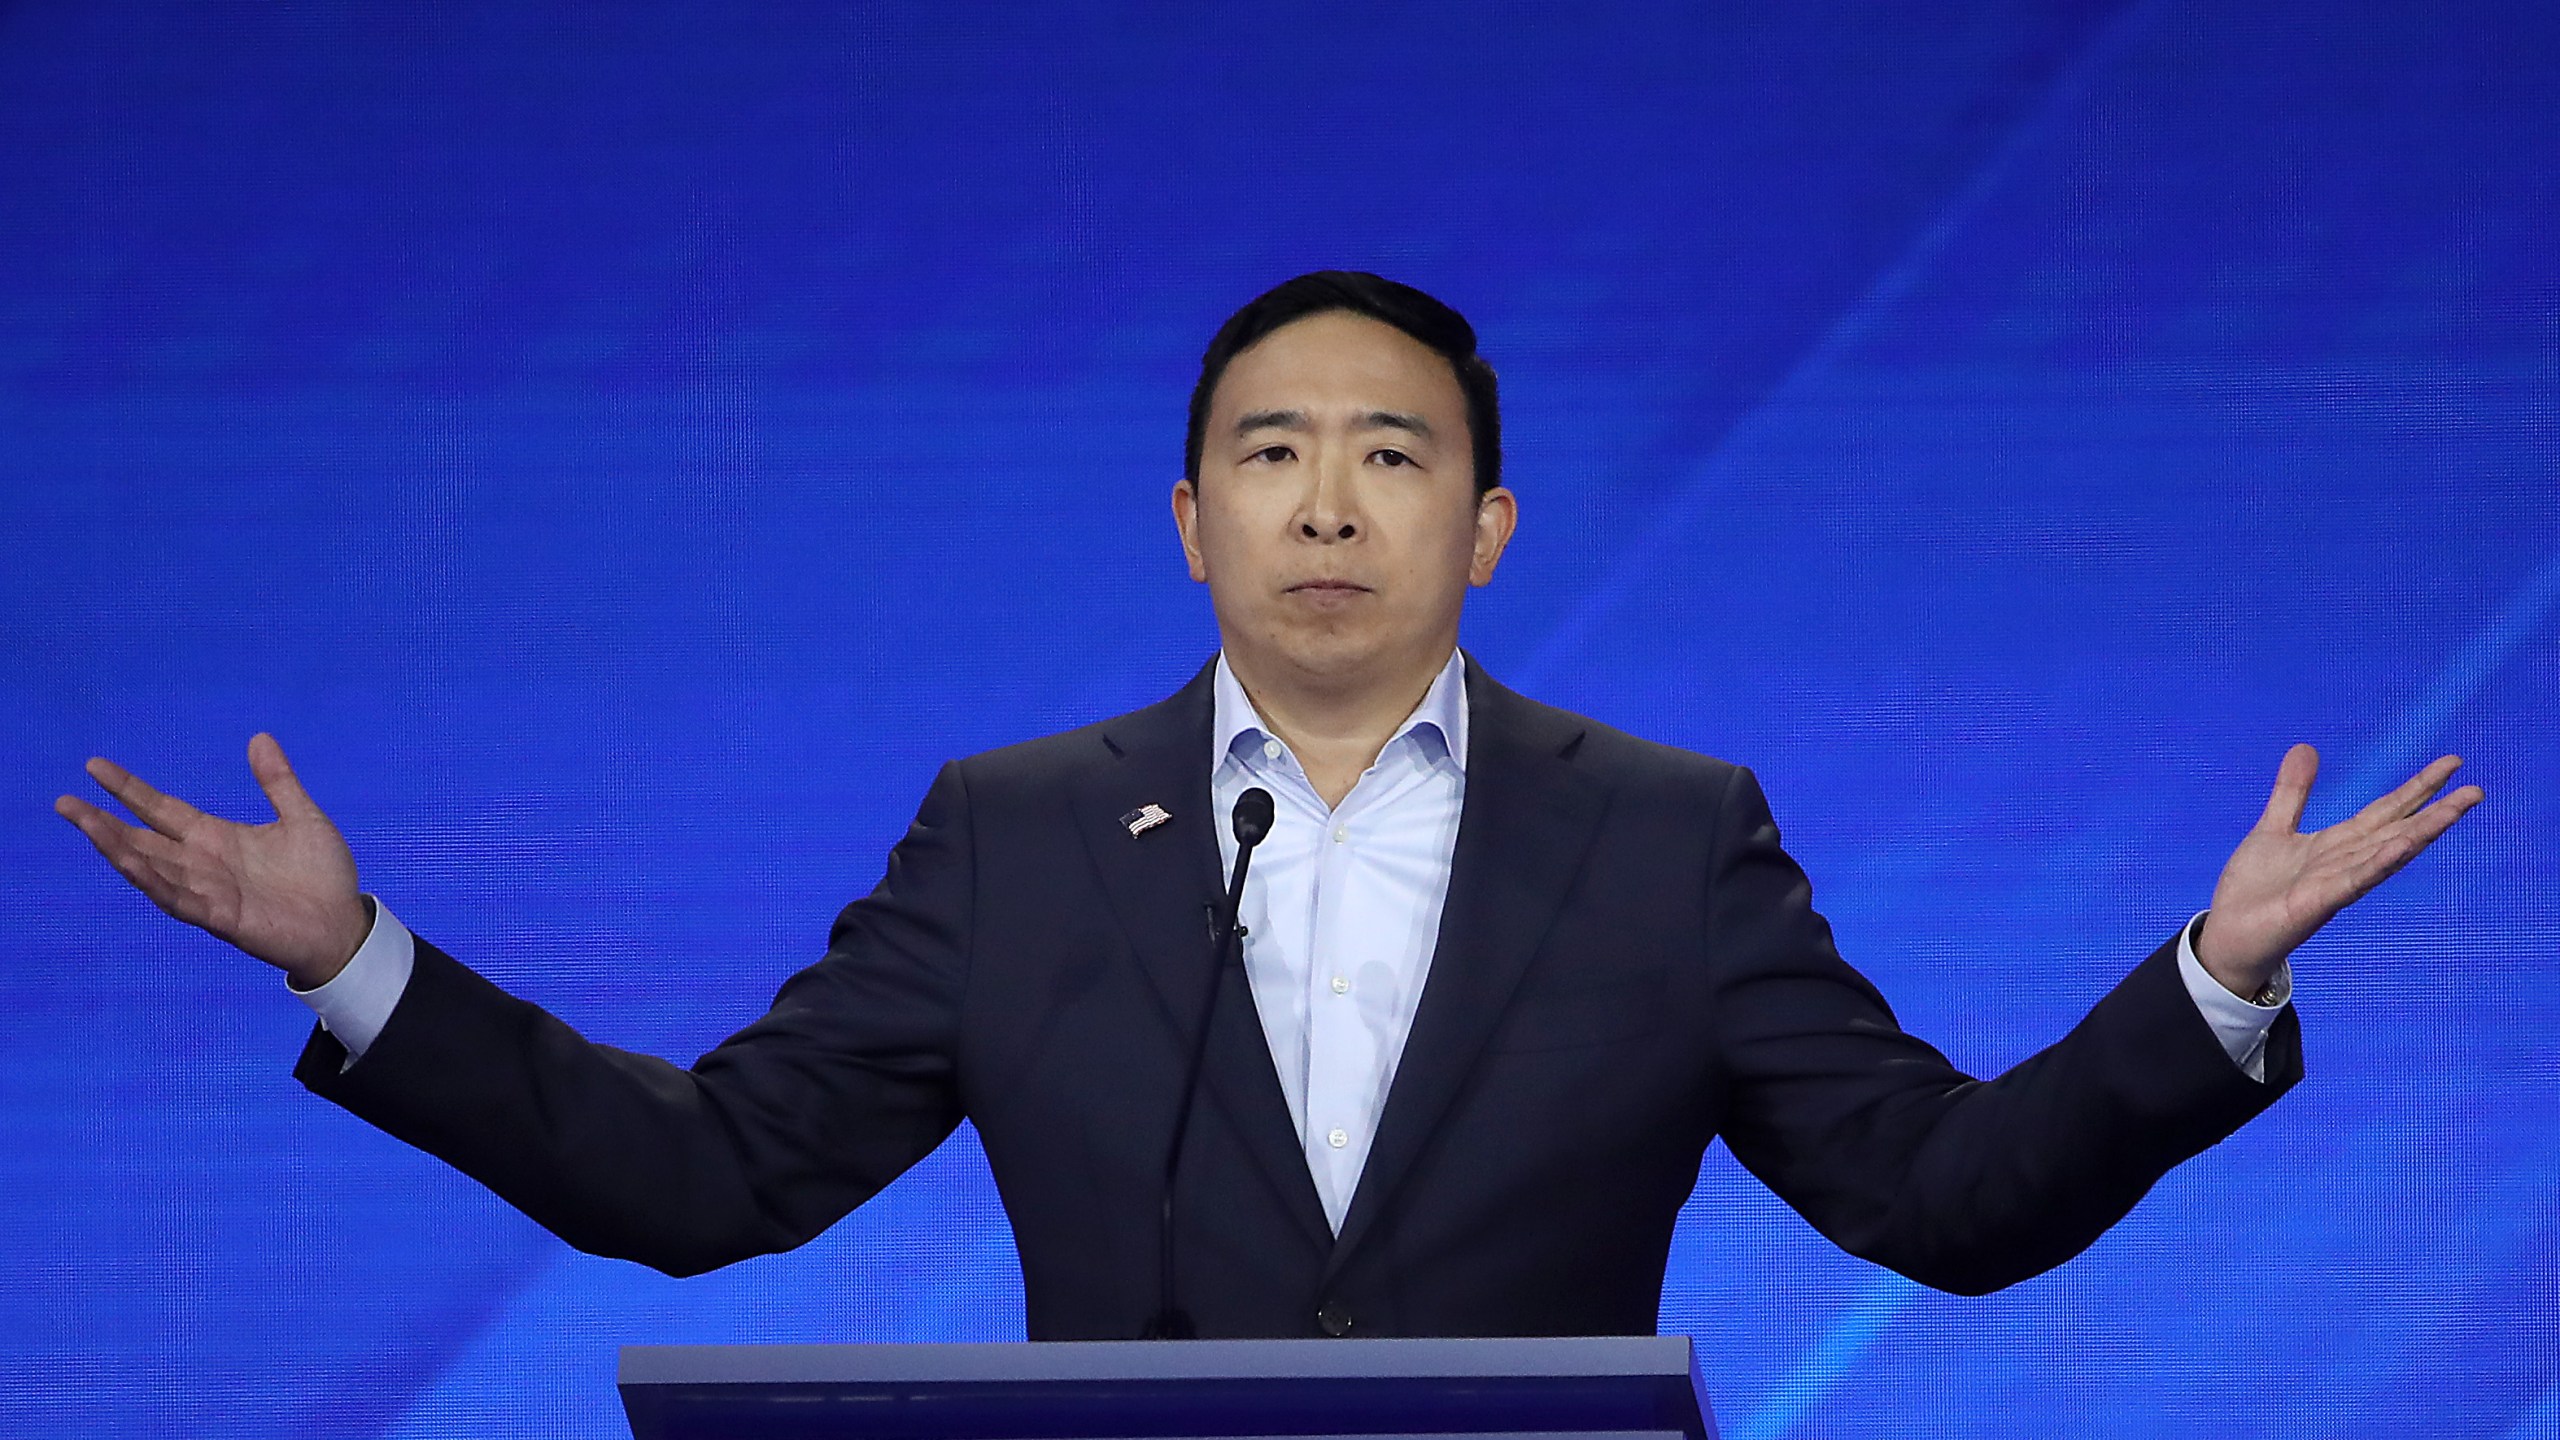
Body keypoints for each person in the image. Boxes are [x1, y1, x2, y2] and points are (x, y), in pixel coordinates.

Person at [57, 272, 2482, 1341]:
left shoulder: (1663, 834)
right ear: (1190, 521)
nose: (1329, 505)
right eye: (1271, 458)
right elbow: (709, 1183)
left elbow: (1940, 1204)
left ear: (1486, 530)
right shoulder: (1012, 834)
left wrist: (2210, 984)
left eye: (1392, 457)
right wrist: (355, 966)